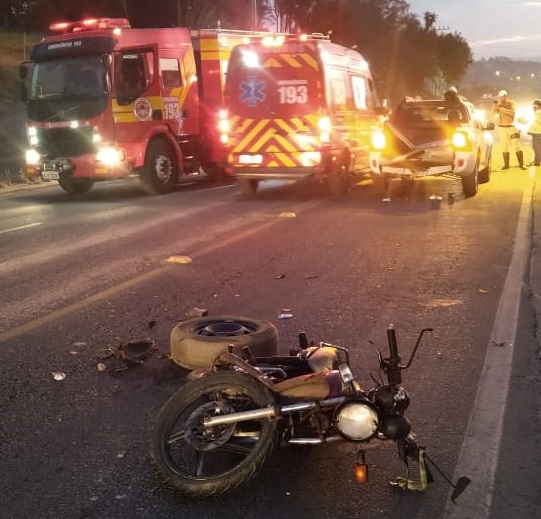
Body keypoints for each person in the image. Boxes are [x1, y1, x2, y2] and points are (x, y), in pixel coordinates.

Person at [491, 89, 525, 170]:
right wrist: (495, 108)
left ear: (505, 96)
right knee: (504, 146)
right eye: (499, 97)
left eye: (502, 97)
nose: (500, 98)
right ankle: (506, 165)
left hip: (511, 127)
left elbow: (512, 112)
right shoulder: (498, 104)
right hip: (502, 127)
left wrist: (501, 108)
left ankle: (521, 164)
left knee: (516, 145)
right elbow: (492, 114)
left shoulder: (511, 103)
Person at [527, 99, 541, 166]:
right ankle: (537, 160)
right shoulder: (537, 112)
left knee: (536, 147)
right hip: (537, 132)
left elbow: (537, 121)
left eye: (535, 105)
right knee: (537, 147)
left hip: (537, 132)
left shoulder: (538, 112)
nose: (533, 107)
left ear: (538, 106)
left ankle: (537, 162)